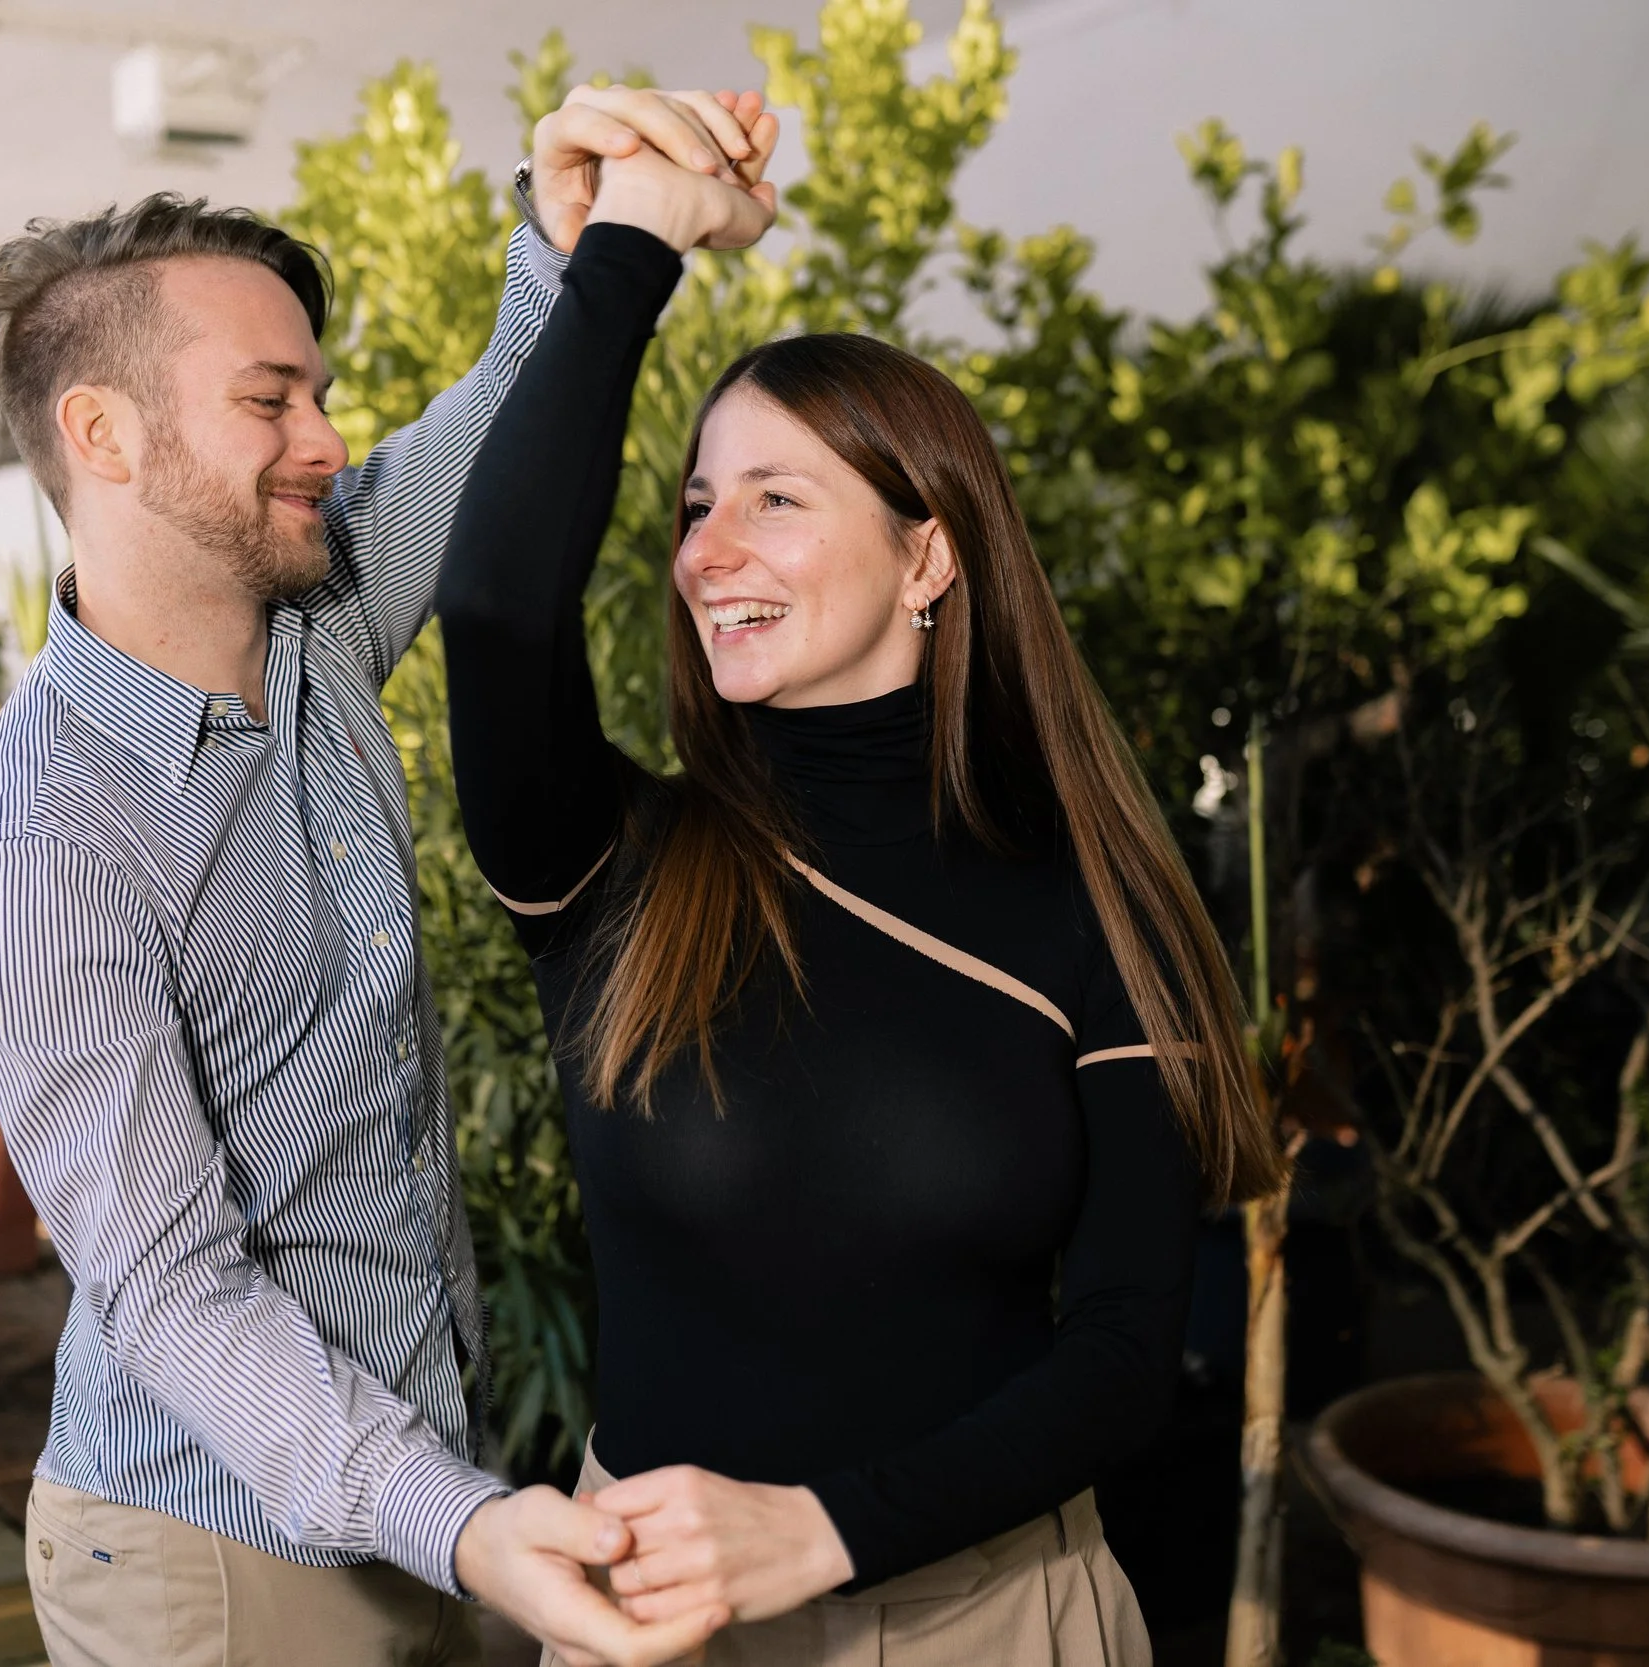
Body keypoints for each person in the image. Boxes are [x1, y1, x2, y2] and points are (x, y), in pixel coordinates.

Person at [0, 87, 781, 1667]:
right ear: (102, 436)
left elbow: (492, 431)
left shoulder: (312, 628)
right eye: (272, 401)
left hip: (407, 1484)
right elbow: (173, 1288)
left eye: (317, 394)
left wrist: (574, 228)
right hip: (212, 1550)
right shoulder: (39, 841)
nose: (326, 442)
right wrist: (457, 1514)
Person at [434, 143, 1290, 1666]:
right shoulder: (616, 866)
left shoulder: (1096, 903)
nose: (712, 549)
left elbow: (1120, 1352)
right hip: (658, 1619)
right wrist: (630, 240)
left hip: (990, 1612)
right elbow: (499, 598)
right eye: (699, 503)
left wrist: (824, 1528)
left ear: (930, 556)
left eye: (778, 496)